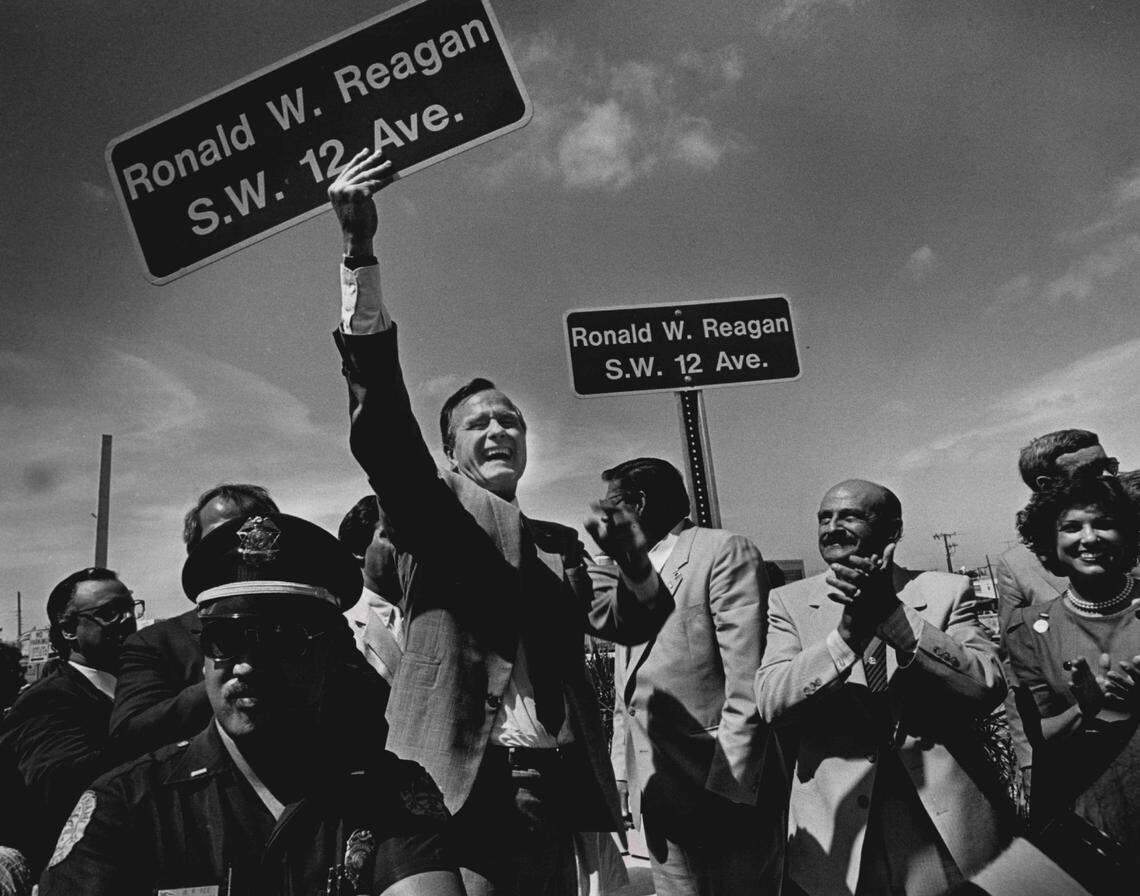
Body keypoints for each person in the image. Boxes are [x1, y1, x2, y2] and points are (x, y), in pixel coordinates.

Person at [328, 148, 675, 895]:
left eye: (511, 421)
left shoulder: (553, 545)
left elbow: (630, 622)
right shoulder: (432, 514)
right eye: (479, 423)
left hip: (545, 788)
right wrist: (360, 255)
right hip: (453, 784)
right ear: (449, 451)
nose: (499, 432)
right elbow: (383, 425)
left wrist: (636, 560)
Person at [39, 513, 462, 896]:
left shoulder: (390, 795)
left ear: (330, 655)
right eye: (225, 639)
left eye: (281, 640)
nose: (245, 665)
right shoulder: (128, 802)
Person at [755, 479, 1008, 896]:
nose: (833, 527)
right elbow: (771, 702)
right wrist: (845, 638)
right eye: (824, 517)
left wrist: (894, 617)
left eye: (850, 515)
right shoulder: (789, 603)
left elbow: (986, 685)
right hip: (841, 837)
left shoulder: (945, 591)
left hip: (938, 824)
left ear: (893, 530)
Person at [603, 457, 783, 895]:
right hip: (661, 797)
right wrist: (622, 777)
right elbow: (628, 686)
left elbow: (748, 680)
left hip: (722, 793)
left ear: (638, 504)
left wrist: (729, 788)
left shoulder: (723, 552)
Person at [1004, 476, 1140, 871]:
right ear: (1050, 542)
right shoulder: (1028, 629)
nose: (1089, 537)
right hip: (1096, 815)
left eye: (1104, 523)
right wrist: (1085, 709)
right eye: (1071, 527)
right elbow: (1041, 736)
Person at [994, 430, 1123, 798]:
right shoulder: (1018, 566)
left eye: (1109, 466)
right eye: (1093, 471)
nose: (1108, 479)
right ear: (1046, 485)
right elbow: (1017, 677)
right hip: (1089, 758)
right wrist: (1032, 762)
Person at [109, 483, 279, 758]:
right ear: (195, 554)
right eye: (221, 539)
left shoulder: (316, 625)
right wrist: (222, 685)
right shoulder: (156, 643)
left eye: (256, 538)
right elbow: (129, 734)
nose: (241, 551)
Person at [0, 568, 139, 875]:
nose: (127, 619)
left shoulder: (136, 687)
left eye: (130, 608)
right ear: (68, 630)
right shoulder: (47, 699)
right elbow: (63, 780)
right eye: (109, 612)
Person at [339, 495, 404, 684]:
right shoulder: (343, 623)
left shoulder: (424, 618)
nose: (405, 546)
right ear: (358, 550)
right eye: (390, 535)